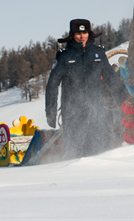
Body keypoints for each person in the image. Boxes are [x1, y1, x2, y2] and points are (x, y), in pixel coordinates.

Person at [45, 19, 129, 159]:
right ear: (72, 35)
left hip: (97, 111)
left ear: (89, 34)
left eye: (84, 32)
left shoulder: (98, 53)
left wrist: (125, 101)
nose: (82, 36)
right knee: (75, 153)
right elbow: (52, 84)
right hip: (73, 114)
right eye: (78, 33)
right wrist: (50, 112)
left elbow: (111, 79)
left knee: (101, 151)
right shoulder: (64, 56)